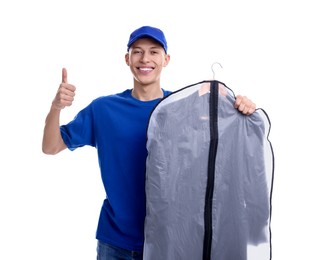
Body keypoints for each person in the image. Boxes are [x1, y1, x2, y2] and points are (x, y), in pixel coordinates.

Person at [42, 25, 256, 260]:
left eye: (154, 52)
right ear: (127, 59)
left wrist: (241, 109)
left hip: (171, 242)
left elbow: (224, 141)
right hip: (116, 244)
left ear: (166, 59)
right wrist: (56, 107)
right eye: (137, 51)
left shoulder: (184, 109)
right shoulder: (103, 110)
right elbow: (51, 146)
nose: (145, 59)